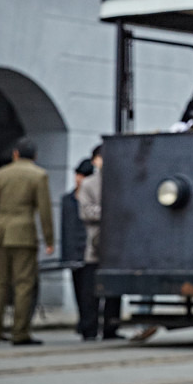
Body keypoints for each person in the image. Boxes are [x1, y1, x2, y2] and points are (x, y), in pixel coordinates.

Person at [0, 137, 54, 346]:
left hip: (0, 234)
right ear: (35, 156)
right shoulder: (39, 175)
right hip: (24, 235)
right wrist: (49, 239)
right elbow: (44, 210)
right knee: (23, 284)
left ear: (15, 154)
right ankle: (20, 332)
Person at [76, 145, 121, 340]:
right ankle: (89, 328)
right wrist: (110, 212)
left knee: (114, 288)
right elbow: (86, 211)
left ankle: (111, 327)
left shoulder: (121, 181)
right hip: (94, 242)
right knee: (90, 290)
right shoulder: (89, 184)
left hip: (117, 244)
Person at [62, 158, 94, 340]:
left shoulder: (90, 197)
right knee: (78, 289)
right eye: (78, 175)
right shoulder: (68, 199)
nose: (78, 179)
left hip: (89, 250)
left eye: (82, 176)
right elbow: (66, 229)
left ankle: (88, 324)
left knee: (88, 292)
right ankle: (83, 321)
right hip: (74, 251)